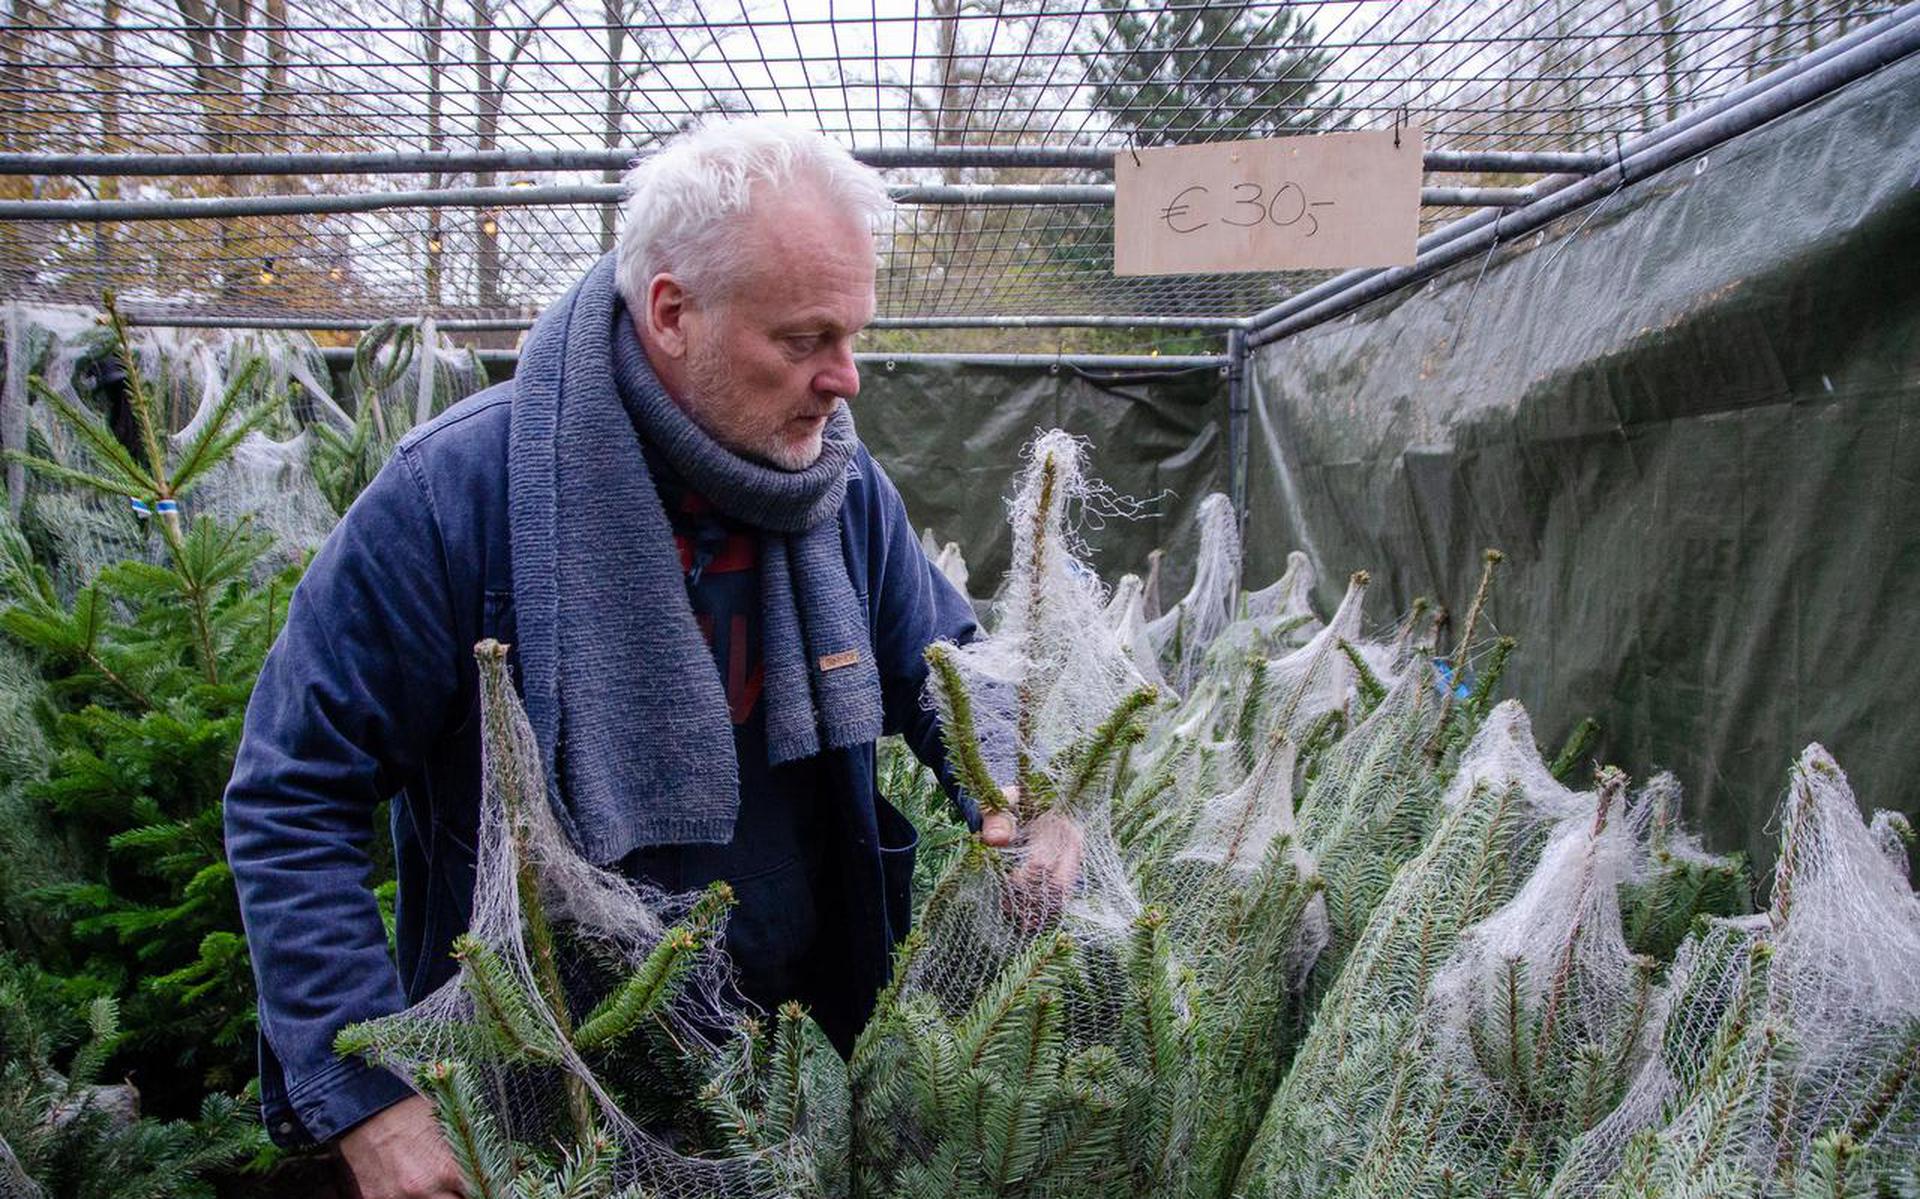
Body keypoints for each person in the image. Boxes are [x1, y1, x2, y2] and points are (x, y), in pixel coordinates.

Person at [222, 118, 1079, 1199]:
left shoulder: (839, 490)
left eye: (854, 335)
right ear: (673, 311)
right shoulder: (462, 495)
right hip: (545, 1098)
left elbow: (948, 665)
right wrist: (372, 1100)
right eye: (806, 339)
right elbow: (292, 791)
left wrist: (1019, 792)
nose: (846, 379)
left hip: (798, 1069)